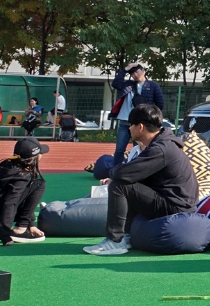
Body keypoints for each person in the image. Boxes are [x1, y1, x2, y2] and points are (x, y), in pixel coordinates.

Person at [84, 104, 198, 256]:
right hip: (175, 201)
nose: (129, 129)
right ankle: (126, 235)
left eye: (131, 125)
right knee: (129, 183)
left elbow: (125, 172)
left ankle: (115, 240)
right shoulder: (164, 143)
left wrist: (112, 174)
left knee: (119, 185)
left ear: (141, 127)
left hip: (175, 207)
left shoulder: (161, 149)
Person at [0, 138, 48, 245]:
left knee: (36, 184)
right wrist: (5, 235)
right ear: (34, 158)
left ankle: (23, 225)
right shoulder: (21, 176)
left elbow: (24, 196)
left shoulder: (6, 164)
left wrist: (31, 223)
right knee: (40, 184)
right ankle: (20, 229)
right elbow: (10, 202)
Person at [112, 62, 164, 165]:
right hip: (125, 122)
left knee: (141, 149)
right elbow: (115, 83)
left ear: (143, 70)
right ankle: (116, 173)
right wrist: (126, 69)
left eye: (137, 71)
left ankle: (139, 171)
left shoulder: (153, 86)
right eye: (132, 73)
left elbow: (160, 104)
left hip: (141, 124)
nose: (135, 75)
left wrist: (149, 117)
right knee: (119, 150)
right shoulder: (128, 84)